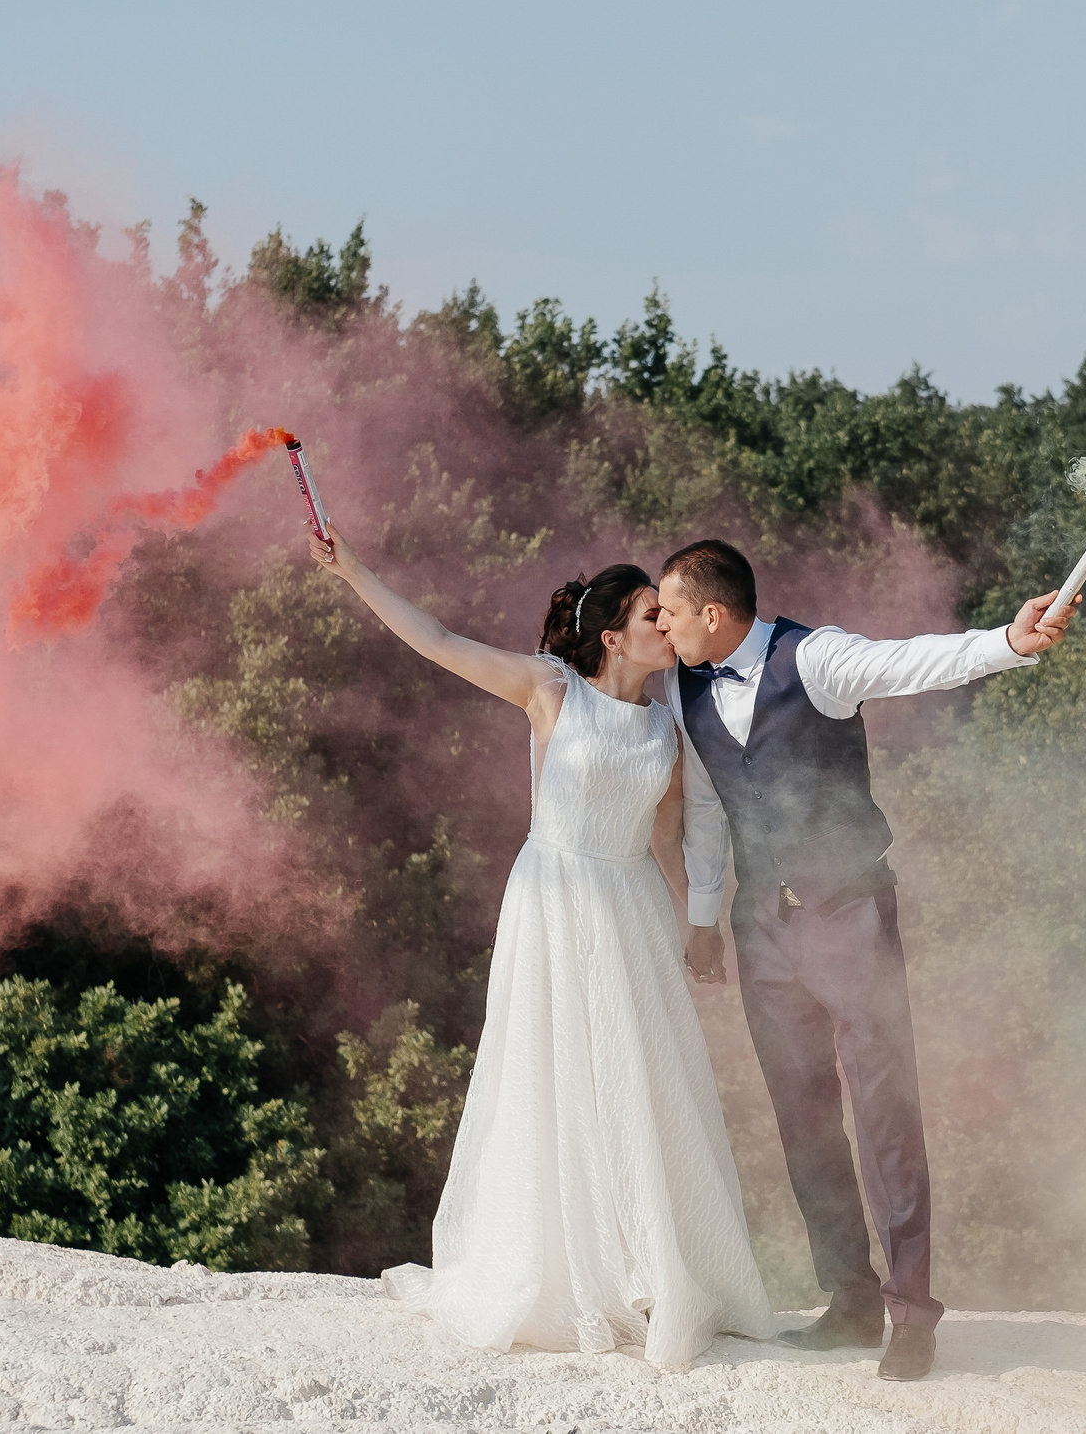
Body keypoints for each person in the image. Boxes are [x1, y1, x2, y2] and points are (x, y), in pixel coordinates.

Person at [309, 527, 773, 1368]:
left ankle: (645, 1268)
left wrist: (701, 926)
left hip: (630, 905)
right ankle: (553, 1269)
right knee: (549, 1074)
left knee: (636, 1078)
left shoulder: (668, 725)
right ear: (611, 635)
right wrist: (355, 572)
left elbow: (669, 838)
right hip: (555, 897)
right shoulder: (552, 689)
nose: (667, 627)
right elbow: (442, 642)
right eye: (649, 615)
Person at [653, 539, 1072, 1384]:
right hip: (762, 927)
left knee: (885, 1110)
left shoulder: (817, 657)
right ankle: (846, 1301)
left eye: (667, 609)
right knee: (802, 1117)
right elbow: (704, 809)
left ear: (713, 612)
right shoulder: (687, 690)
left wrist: (1008, 643)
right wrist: (703, 921)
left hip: (850, 914)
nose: (660, 623)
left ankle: (912, 1315)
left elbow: (909, 662)